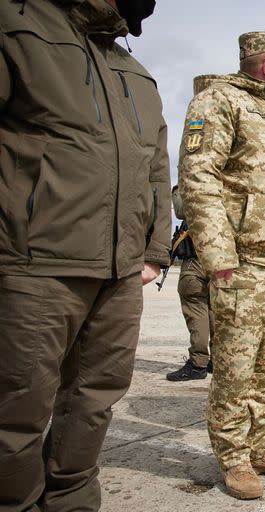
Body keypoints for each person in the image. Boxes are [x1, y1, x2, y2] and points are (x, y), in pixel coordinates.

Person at [0, 1, 169, 510]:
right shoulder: (17, 25)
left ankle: (72, 501)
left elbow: (157, 168)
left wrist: (155, 251)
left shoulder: (135, 71)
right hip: (36, 262)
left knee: (95, 399)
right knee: (17, 409)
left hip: (121, 270)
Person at [178, 31, 265, 500]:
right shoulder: (218, 101)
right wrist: (218, 253)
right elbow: (199, 177)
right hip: (244, 262)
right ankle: (233, 457)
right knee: (236, 368)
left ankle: (261, 446)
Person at [166, 184, 215, 381]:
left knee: (196, 311)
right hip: (222, 261)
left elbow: (180, 210)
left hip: (196, 259)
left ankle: (198, 363)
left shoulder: (194, 182)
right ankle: (218, 360)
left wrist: (181, 184)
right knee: (215, 312)